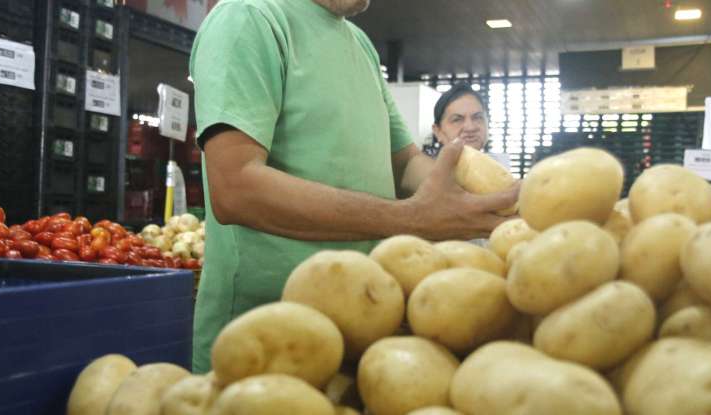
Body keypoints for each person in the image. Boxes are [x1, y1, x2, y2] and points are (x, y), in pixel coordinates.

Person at [188, 0, 518, 373]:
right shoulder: (249, 17)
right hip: (265, 343)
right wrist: (411, 218)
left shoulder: (360, 44)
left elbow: (405, 163)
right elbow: (235, 189)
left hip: (363, 326)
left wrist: (487, 197)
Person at [425, 82, 511, 169]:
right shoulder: (424, 173)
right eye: (457, 120)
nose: (470, 128)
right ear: (438, 131)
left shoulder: (497, 169)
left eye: (477, 117)